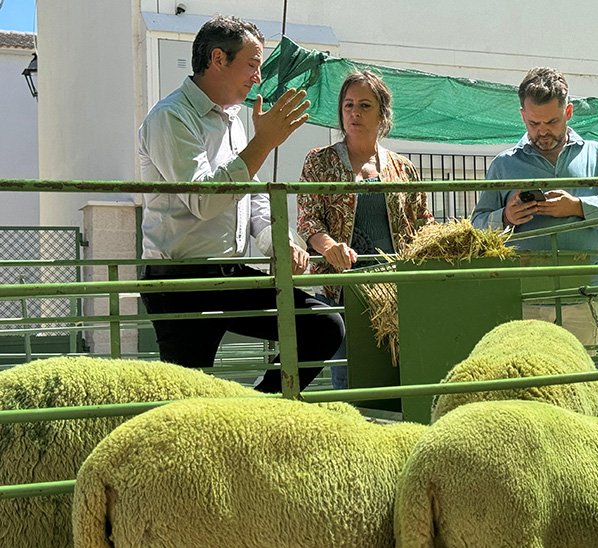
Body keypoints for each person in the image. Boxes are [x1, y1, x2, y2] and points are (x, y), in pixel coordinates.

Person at [138, 15, 344, 393]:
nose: (258, 77)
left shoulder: (234, 118)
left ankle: (254, 414)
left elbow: (253, 198)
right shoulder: (170, 117)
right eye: (253, 64)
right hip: (179, 279)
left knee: (323, 324)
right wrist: (263, 142)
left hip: (227, 270)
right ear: (218, 59)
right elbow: (203, 201)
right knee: (187, 396)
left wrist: (278, 243)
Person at [471, 67, 598, 351]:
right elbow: (476, 224)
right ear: (522, 115)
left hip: (583, 296)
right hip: (523, 299)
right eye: (533, 123)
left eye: (552, 121)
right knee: (528, 382)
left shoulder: (596, 154)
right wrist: (505, 217)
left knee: (580, 383)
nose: (542, 131)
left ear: (568, 112)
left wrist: (578, 206)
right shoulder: (504, 164)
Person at [296, 70, 433, 388]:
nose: (354, 112)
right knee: (349, 379)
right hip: (343, 291)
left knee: (397, 377)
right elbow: (308, 219)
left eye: (365, 105)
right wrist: (329, 246)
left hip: (395, 292)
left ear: (383, 113)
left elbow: (422, 222)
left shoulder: (403, 168)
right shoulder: (320, 162)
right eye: (348, 105)